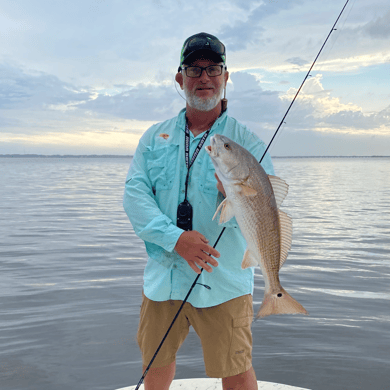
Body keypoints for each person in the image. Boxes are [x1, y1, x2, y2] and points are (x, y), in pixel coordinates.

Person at [123, 32, 274, 390]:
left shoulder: (246, 142)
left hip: (223, 281)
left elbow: (267, 212)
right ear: (180, 79)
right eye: (194, 69)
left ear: (225, 76)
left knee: (236, 370)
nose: (204, 77)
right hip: (164, 277)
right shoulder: (154, 137)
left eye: (213, 69)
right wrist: (175, 240)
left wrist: (239, 199)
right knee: (155, 364)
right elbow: (135, 196)